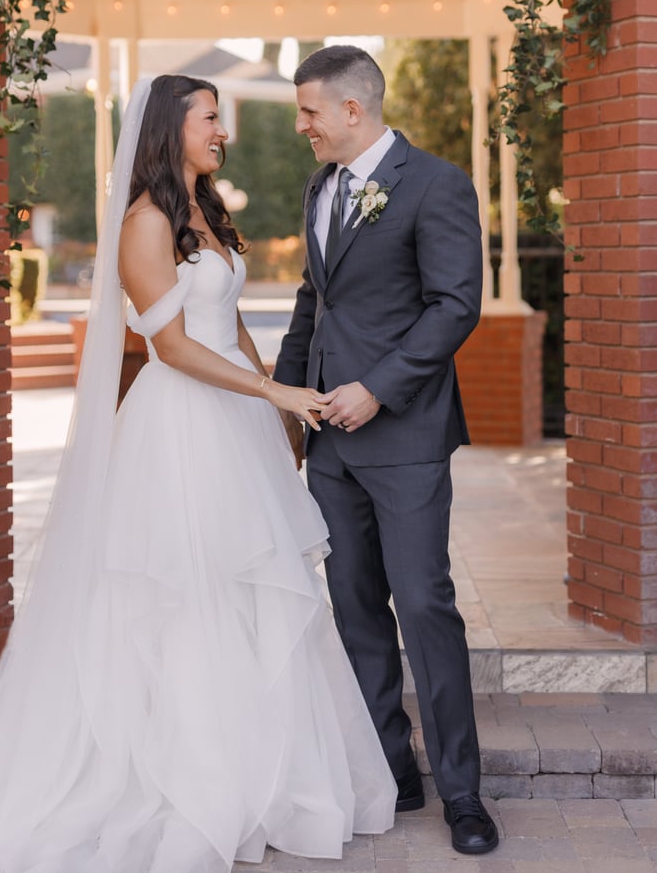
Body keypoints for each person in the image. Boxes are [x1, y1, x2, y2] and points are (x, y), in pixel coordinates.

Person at [0, 75, 397, 873]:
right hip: (178, 430)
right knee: (183, 601)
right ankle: (187, 781)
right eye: (210, 119)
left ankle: (265, 778)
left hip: (235, 424)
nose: (221, 133)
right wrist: (273, 390)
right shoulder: (143, 222)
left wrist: (273, 412)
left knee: (252, 599)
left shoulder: (207, 212)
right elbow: (169, 348)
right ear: (172, 129)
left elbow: (229, 323)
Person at [273, 45, 499, 857]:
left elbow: (453, 305)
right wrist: (287, 409)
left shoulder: (435, 184)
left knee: (424, 605)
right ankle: (388, 769)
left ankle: (463, 793)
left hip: (401, 434)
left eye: (306, 112)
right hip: (330, 442)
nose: (299, 126)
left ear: (350, 110)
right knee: (356, 609)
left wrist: (379, 386)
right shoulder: (321, 186)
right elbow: (315, 299)